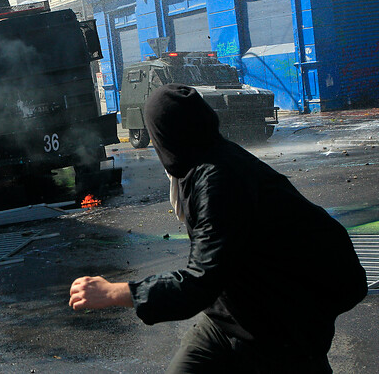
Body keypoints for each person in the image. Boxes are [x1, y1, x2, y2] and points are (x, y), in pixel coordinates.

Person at [69, 84, 367, 373]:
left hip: (281, 322)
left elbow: (200, 283)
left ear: (163, 136)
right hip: (231, 314)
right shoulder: (200, 161)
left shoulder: (218, 180)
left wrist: (118, 292)